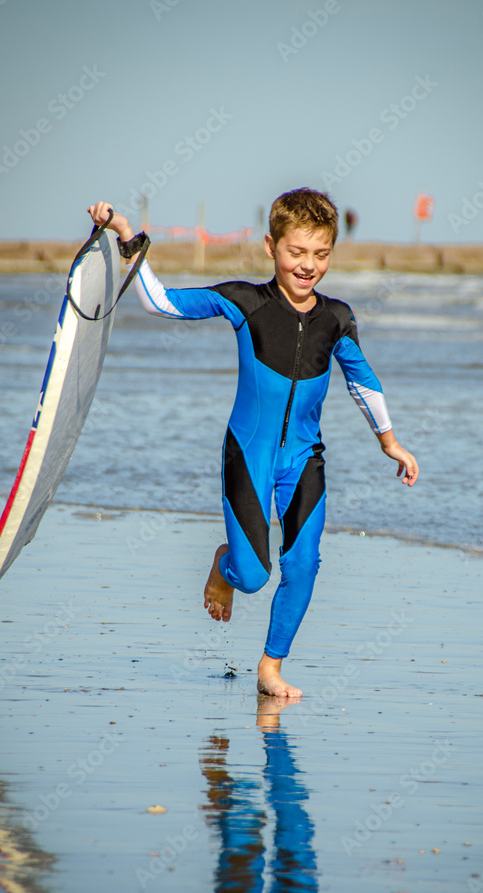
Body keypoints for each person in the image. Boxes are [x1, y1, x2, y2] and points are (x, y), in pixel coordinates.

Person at [87, 189, 418, 698]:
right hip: (248, 453)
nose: (308, 266)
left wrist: (389, 442)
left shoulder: (337, 318)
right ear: (271, 247)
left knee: (304, 563)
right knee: (254, 576)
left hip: (305, 458)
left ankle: (270, 667)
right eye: (297, 252)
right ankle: (224, 565)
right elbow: (161, 303)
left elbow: (363, 379)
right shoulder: (246, 301)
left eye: (321, 254)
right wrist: (126, 233)